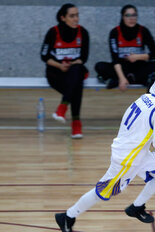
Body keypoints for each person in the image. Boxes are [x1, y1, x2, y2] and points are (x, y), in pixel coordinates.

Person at [54, 72, 155, 232]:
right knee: (103, 191)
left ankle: (136, 207)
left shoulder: (145, 98)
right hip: (128, 158)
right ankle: (68, 216)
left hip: (137, 151)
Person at [40, 3, 89, 139]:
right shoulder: (53, 32)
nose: (76, 19)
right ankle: (76, 122)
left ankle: (62, 108)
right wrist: (60, 66)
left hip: (73, 70)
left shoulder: (83, 32)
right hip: (55, 72)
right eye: (72, 16)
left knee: (76, 71)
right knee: (76, 86)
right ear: (63, 17)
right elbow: (44, 57)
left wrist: (71, 64)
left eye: (77, 15)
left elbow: (83, 58)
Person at [95, 4, 155, 90]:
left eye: (134, 15)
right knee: (99, 66)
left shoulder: (143, 31)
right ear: (123, 17)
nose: (131, 18)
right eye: (128, 15)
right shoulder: (115, 32)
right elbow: (115, 59)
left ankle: (120, 80)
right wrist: (122, 78)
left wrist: (137, 57)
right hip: (121, 67)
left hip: (139, 66)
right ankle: (134, 79)